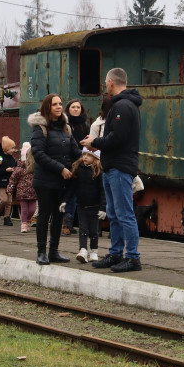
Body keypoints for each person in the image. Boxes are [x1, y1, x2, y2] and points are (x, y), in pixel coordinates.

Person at [81, 69, 142, 273]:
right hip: (113, 166)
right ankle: (116, 254)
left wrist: (94, 142)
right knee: (114, 213)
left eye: (105, 83)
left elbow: (118, 138)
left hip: (120, 167)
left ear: (110, 83)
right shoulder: (122, 104)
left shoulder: (122, 106)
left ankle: (133, 258)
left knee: (124, 213)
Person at [30, 93, 81, 265]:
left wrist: (88, 157)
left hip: (62, 181)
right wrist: (60, 169)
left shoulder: (66, 128)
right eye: (55, 104)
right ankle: (41, 252)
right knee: (44, 215)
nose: (59, 107)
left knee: (59, 215)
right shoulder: (40, 128)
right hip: (45, 180)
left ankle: (53, 251)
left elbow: (75, 151)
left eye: (60, 103)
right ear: (47, 107)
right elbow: (38, 154)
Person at [65, 148, 105, 263]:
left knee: (94, 231)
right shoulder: (78, 170)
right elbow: (72, 187)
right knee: (83, 229)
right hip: (82, 205)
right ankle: (82, 250)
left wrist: (103, 208)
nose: (85, 157)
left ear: (96, 158)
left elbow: (103, 191)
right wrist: (65, 201)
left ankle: (94, 251)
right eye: (84, 155)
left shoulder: (99, 172)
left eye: (89, 155)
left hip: (95, 206)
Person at [62, 99, 89, 236]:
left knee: (79, 194)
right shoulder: (65, 125)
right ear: (68, 109)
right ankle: (67, 221)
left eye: (78, 107)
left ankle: (71, 221)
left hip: (82, 161)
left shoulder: (85, 126)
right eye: (73, 107)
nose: (76, 109)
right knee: (69, 193)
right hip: (68, 162)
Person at [7, 142, 38, 233]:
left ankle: (28, 220)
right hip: (22, 192)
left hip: (33, 192)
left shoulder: (34, 168)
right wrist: (10, 189)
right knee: (24, 209)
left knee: (32, 210)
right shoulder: (19, 169)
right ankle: (23, 223)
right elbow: (13, 180)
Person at [0, 136, 18, 226]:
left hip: (10, 183)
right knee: (4, 199)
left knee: (9, 202)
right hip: (1, 182)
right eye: (11, 148)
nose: (13, 150)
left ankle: (7, 217)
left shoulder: (12, 159)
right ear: (6, 149)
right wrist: (5, 170)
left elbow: (15, 166)